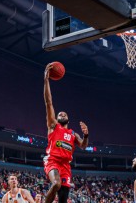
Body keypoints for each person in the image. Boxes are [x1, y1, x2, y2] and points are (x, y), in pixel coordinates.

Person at [43, 63, 89, 203]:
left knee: (63, 199)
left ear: (68, 118)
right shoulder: (53, 126)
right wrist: (46, 80)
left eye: (64, 113)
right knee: (56, 184)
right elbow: (49, 102)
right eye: (59, 114)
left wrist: (86, 135)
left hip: (66, 166)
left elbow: (83, 146)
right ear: (56, 118)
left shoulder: (73, 134)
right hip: (53, 161)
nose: (61, 113)